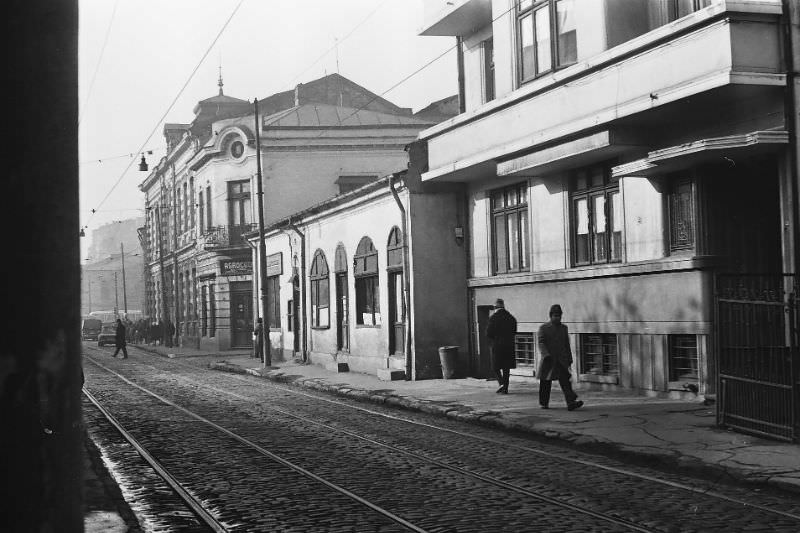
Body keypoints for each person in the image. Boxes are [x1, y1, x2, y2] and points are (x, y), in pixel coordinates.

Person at [537, 304, 583, 411]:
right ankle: (544, 403)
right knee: (545, 382)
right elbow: (541, 342)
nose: (557, 318)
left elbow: (566, 344)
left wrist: (569, 359)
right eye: (555, 315)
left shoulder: (563, 328)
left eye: (559, 315)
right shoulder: (544, 328)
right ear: (550, 316)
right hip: (548, 359)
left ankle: (570, 402)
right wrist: (545, 354)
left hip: (561, 360)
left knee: (565, 381)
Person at [486, 298, 517, 394]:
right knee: (506, 368)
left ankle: (501, 383)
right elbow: (514, 331)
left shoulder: (493, 318)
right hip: (509, 345)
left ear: (495, 307)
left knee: (495, 367)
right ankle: (505, 388)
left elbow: (489, 333)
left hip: (497, 345)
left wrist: (494, 338)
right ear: (503, 306)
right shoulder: (511, 318)